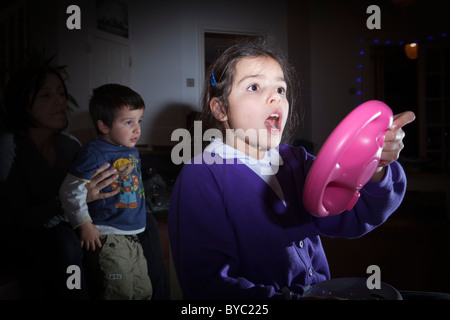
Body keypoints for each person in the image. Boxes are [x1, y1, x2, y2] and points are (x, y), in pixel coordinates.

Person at [168, 39, 416, 300]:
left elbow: (353, 216)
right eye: (254, 87)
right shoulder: (203, 175)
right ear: (220, 109)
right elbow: (208, 287)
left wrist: (376, 166)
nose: (276, 96)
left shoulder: (297, 160)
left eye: (281, 89)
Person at [0, 66, 118, 299]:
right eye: (46, 95)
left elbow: (88, 193)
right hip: (28, 238)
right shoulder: (9, 146)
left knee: (142, 223)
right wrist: (71, 202)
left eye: (61, 94)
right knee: (65, 239)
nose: (60, 101)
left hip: (70, 226)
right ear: (24, 103)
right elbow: (13, 221)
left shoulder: (69, 144)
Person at [59, 84, 153, 300]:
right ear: (103, 126)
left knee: (142, 291)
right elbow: (70, 190)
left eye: (139, 121)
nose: (137, 129)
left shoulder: (131, 149)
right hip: (108, 234)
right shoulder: (93, 152)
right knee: (119, 293)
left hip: (131, 235)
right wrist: (83, 223)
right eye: (128, 122)